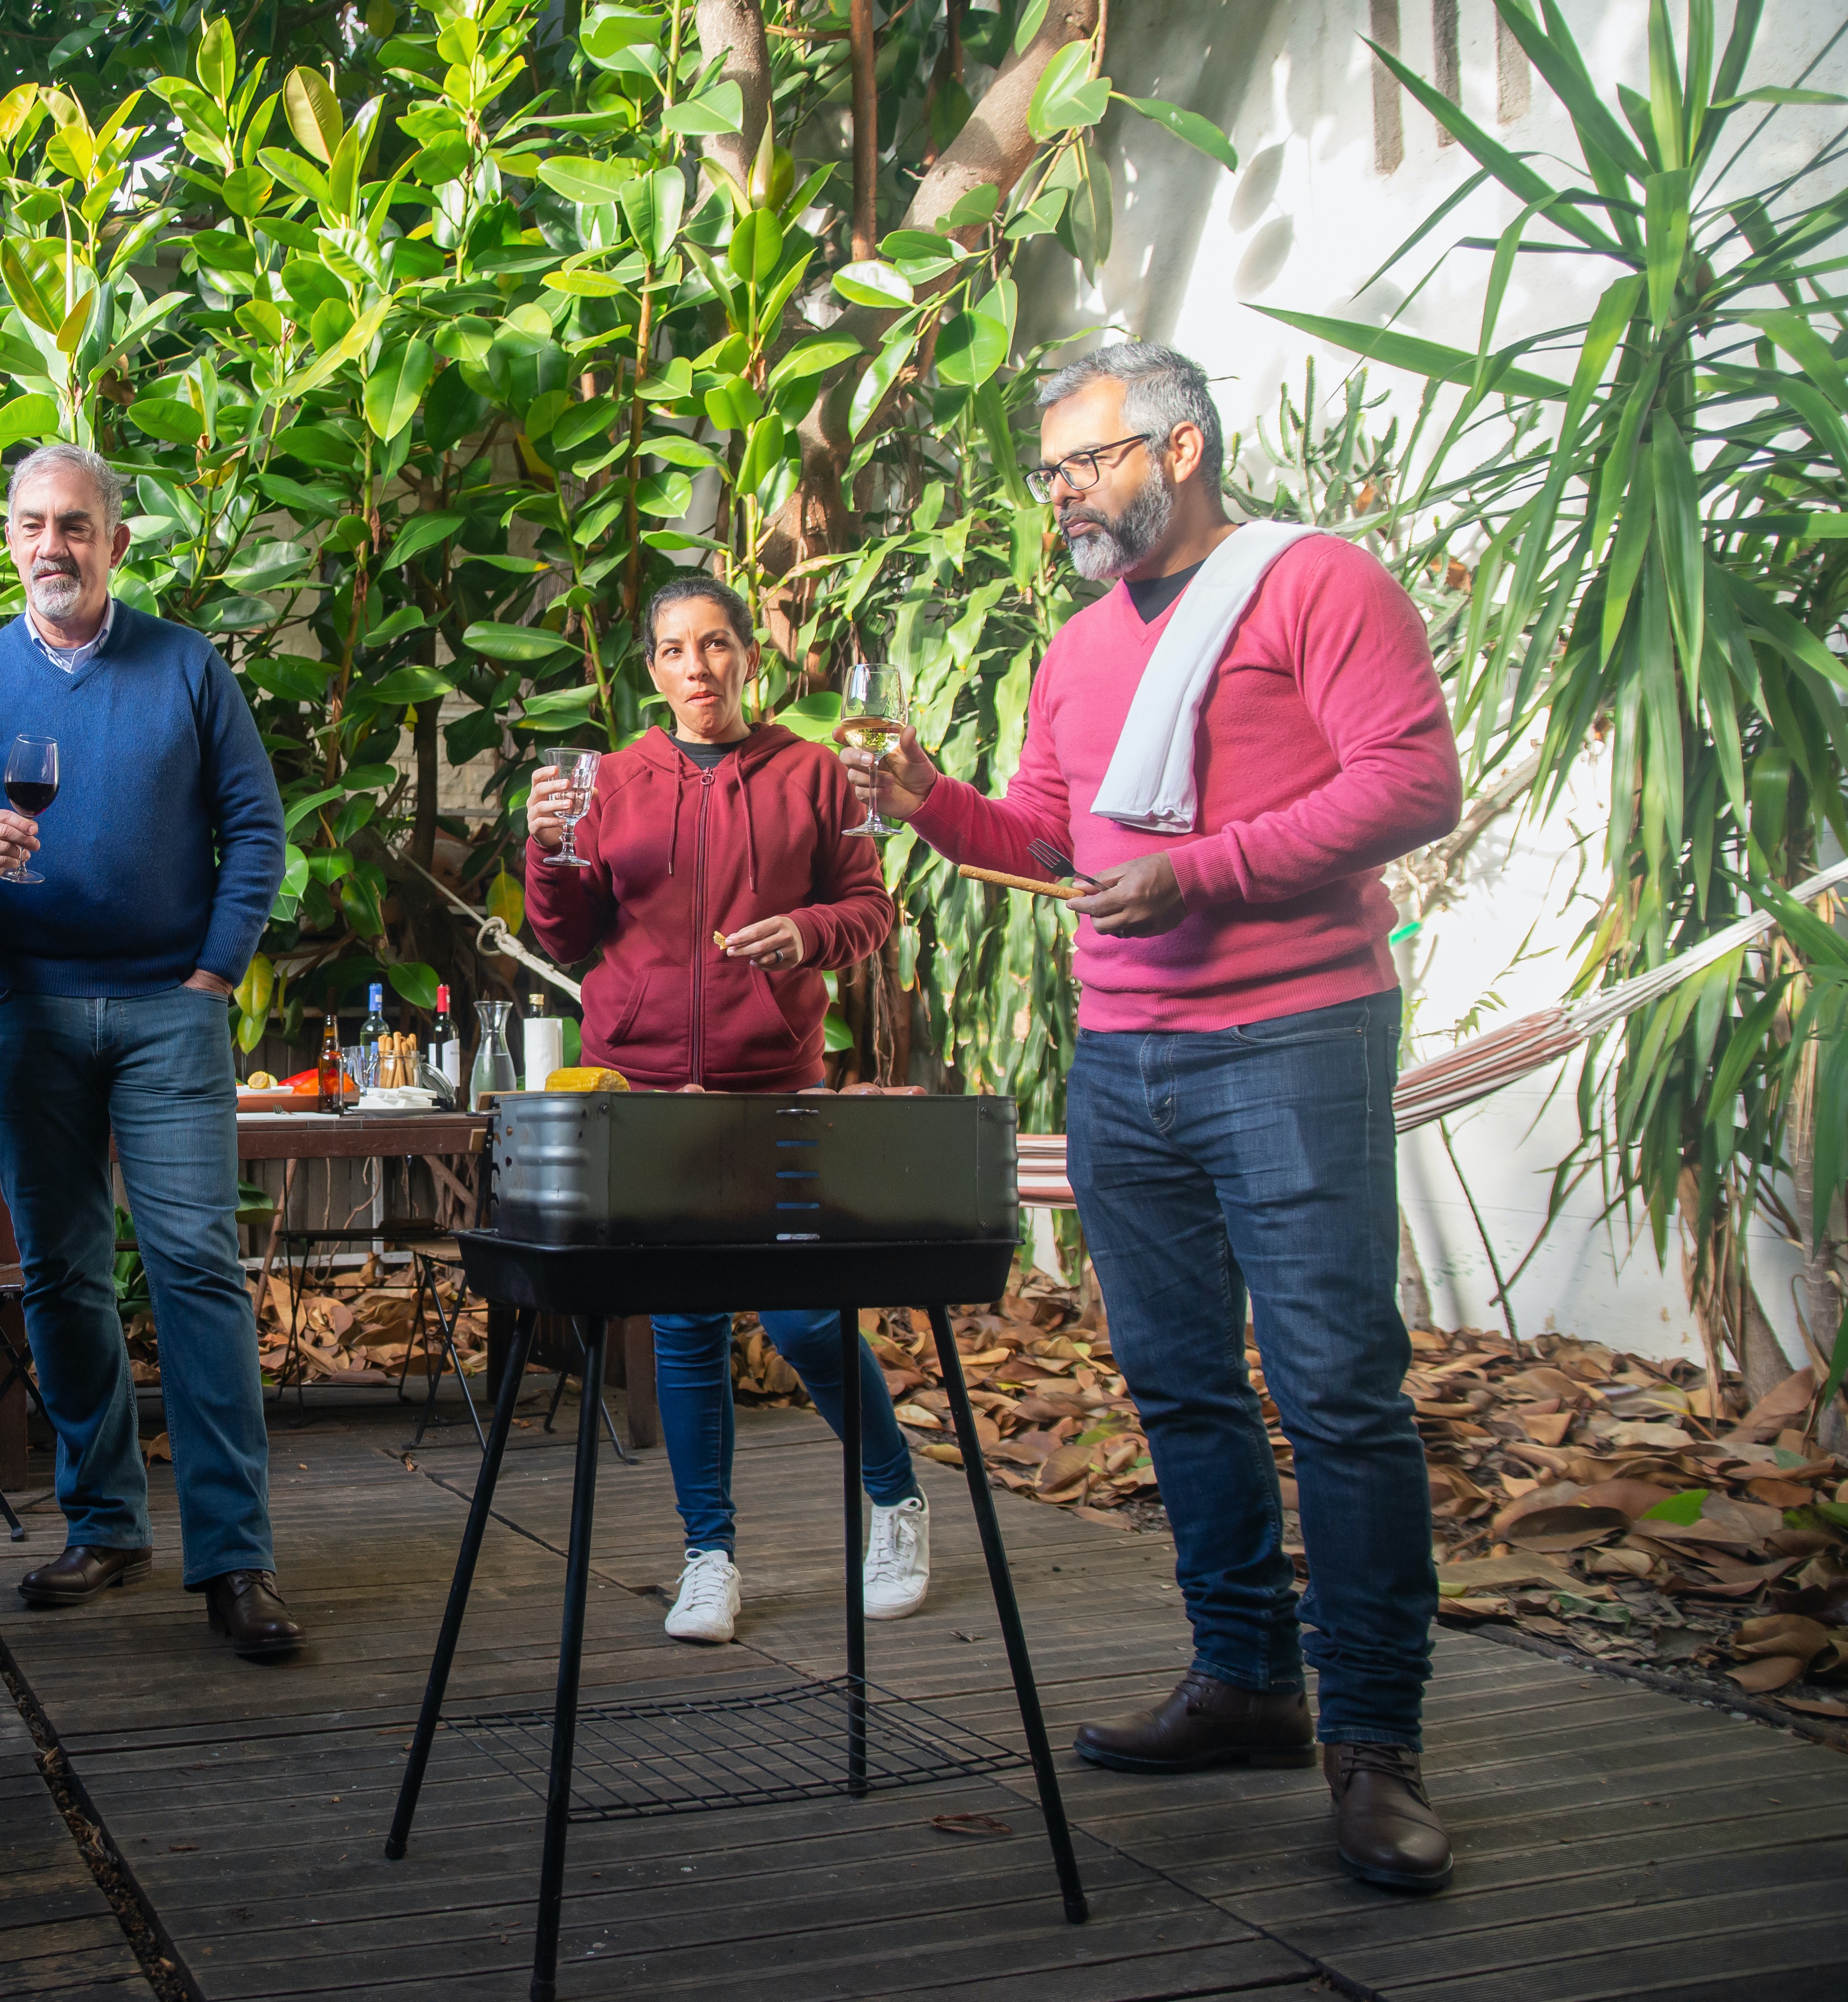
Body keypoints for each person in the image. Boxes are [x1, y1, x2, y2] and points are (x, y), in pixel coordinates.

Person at [844, 341, 1464, 1893]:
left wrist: (1206, 868)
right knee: (1180, 1382)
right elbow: (1048, 838)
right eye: (1048, 471)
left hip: (1296, 1034)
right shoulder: (1078, 648)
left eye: (1082, 463)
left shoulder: (1316, 584)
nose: (1057, 496)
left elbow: (1413, 783)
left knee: (1337, 1392)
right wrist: (931, 798)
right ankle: (1249, 1682)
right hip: (1124, 1053)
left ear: (1179, 449)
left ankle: (1375, 1743)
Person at [0, 444, 300, 1658]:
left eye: (74, 524)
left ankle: (233, 1556)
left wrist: (213, 972)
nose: (50, 544)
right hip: (25, 1012)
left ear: (116, 541)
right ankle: (105, 1522)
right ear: (6, 540)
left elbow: (256, 831)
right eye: (29, 523)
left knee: (194, 1268)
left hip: (169, 1012)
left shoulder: (185, 668)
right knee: (64, 1275)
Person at [523, 577, 924, 1649]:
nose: (694, 667)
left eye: (713, 645)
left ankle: (895, 1500)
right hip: (646, 1089)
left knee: (802, 1316)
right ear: (649, 670)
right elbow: (567, 936)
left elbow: (869, 907)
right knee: (688, 1323)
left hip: (773, 1086)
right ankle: (708, 1556)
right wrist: (545, 849)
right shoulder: (610, 780)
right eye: (671, 651)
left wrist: (806, 934)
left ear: (749, 656)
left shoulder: (811, 773)